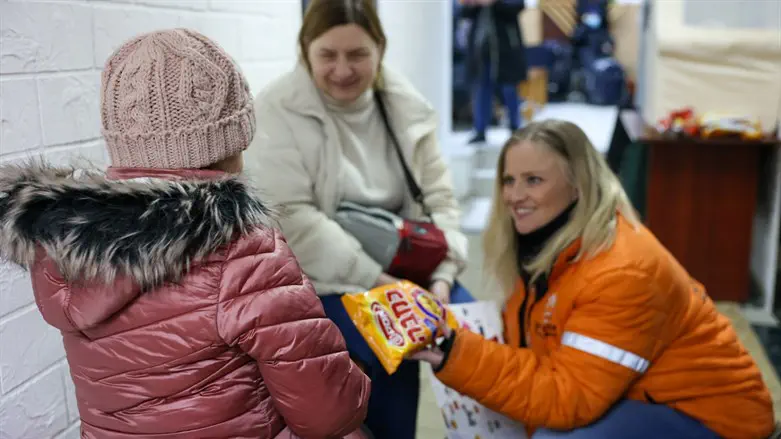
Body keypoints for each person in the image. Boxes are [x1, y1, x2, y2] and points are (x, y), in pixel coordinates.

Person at [0, 29, 370, 439]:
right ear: (231, 144)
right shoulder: (244, 252)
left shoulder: (62, 248)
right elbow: (327, 415)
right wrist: (355, 375)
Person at [413, 120, 776, 438]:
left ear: (578, 186)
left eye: (533, 180)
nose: (514, 196)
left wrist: (455, 353)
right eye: (509, 180)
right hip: (637, 394)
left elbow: (568, 396)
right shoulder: (547, 246)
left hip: (712, 415)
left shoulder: (622, 271)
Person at [243, 0, 470, 437]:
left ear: (380, 49)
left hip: (406, 264)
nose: (343, 69)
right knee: (390, 343)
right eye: (328, 55)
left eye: (358, 54)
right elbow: (295, 219)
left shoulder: (405, 106)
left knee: (471, 330)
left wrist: (442, 278)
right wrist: (381, 283)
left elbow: (440, 200)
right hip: (326, 277)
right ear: (305, 51)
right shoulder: (276, 110)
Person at [460, 0, 527, 144]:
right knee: (482, 90)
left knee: (509, 89)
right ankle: (480, 130)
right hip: (481, 51)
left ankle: (515, 127)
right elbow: (465, 13)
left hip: (506, 49)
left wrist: (494, 2)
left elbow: (517, 6)